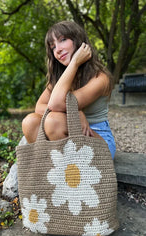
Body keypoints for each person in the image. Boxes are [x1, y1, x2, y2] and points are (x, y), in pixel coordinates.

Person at [22, 21, 116, 159]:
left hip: (98, 139)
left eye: (63, 40)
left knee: (54, 121)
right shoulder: (61, 79)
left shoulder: (100, 78)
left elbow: (55, 105)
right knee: (30, 122)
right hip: (69, 133)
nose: (58, 50)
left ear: (78, 41)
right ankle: (50, 169)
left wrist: (74, 62)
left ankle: (66, 174)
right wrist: (76, 111)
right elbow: (39, 107)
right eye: (53, 47)